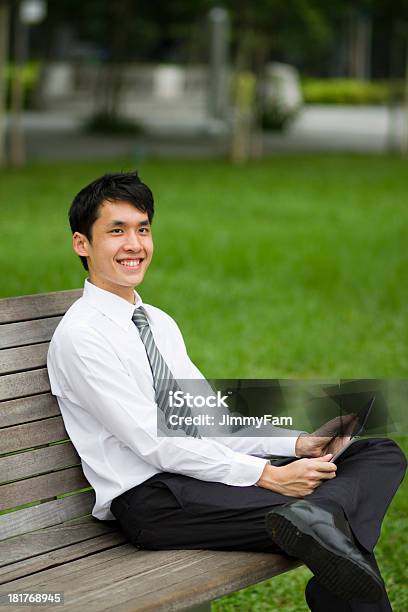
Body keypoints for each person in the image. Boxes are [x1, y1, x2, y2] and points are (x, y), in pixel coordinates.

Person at [47, 171, 406, 611]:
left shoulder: (157, 321)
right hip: (154, 498)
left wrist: (295, 443)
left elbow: (205, 418)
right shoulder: (82, 336)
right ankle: (324, 542)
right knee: (317, 516)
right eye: (116, 231)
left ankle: (320, 521)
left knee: (380, 454)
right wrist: (268, 475)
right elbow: (153, 441)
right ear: (81, 244)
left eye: (143, 229)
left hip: (200, 474)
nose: (135, 244)